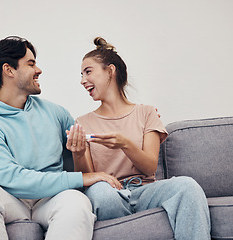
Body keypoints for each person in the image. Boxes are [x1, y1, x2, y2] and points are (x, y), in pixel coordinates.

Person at [0, 36, 121, 240]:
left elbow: (86, 143)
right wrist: (80, 178)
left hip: (50, 200)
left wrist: (127, 120)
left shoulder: (56, 112)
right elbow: (10, 178)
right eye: (31, 63)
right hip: (11, 199)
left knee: (76, 202)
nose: (39, 70)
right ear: (9, 70)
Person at [66, 37, 211, 240]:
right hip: (109, 193)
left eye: (88, 71)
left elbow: (150, 168)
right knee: (101, 193)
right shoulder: (83, 122)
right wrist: (79, 152)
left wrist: (125, 144)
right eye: (81, 74)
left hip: (145, 190)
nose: (82, 80)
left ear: (110, 70)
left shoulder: (146, 113)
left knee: (188, 186)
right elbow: (88, 179)